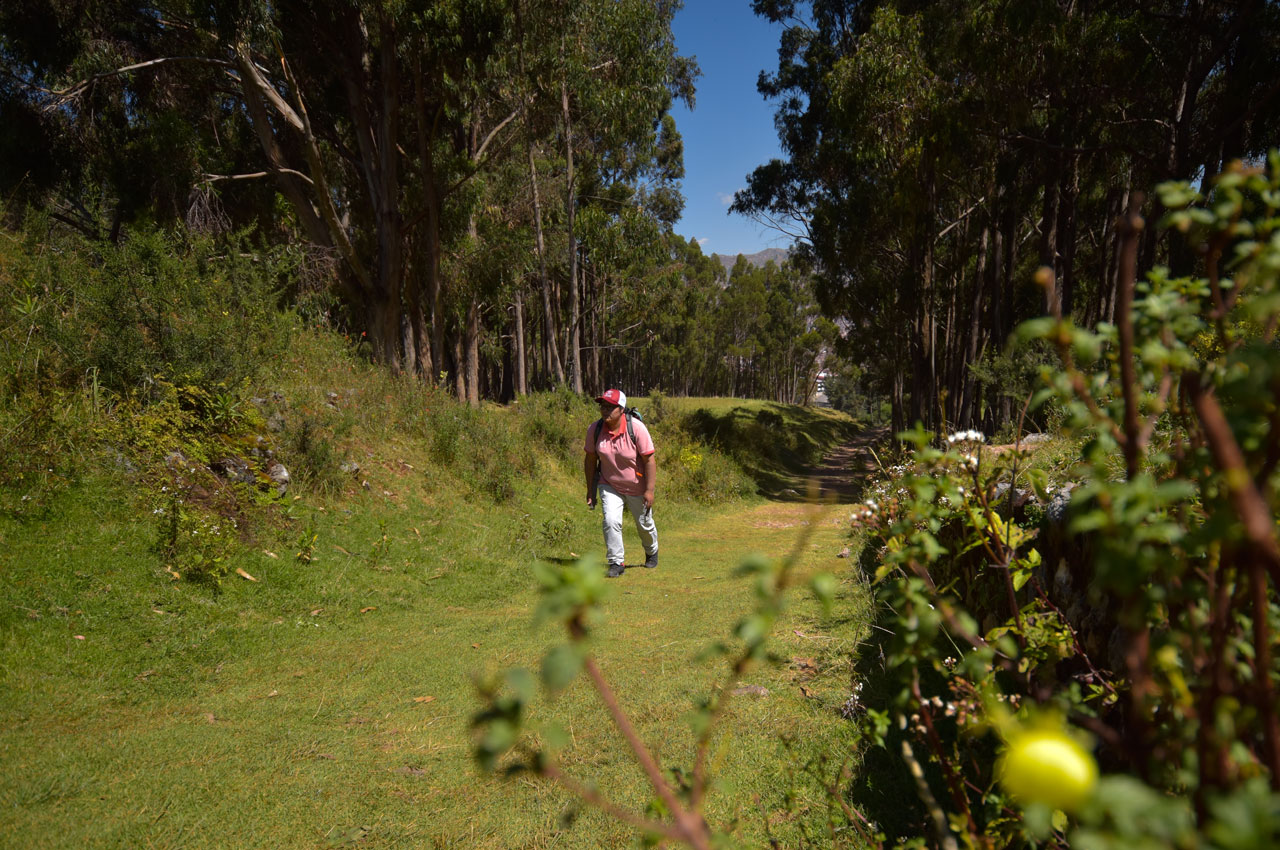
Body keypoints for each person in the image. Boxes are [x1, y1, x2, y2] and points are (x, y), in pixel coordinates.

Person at [583, 389, 658, 578]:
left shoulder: (637, 429)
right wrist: (590, 490)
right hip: (609, 483)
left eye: (610, 407)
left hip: (637, 486)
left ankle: (651, 550)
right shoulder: (595, 429)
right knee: (610, 520)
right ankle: (616, 562)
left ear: (621, 410)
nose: (605, 410)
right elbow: (590, 460)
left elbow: (649, 460)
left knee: (644, 524)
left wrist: (649, 490)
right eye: (603, 406)